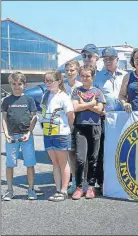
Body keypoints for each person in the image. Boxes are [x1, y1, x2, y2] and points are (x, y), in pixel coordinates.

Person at [94, 47, 128, 193]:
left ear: (117, 59)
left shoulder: (126, 75)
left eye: (111, 59)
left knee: (123, 149)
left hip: (124, 119)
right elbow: (94, 97)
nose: (108, 61)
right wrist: (100, 109)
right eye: (105, 59)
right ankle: (102, 183)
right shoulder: (97, 77)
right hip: (104, 118)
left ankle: (124, 180)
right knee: (103, 151)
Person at [1, 72, 38, 201]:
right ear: (10, 84)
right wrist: (6, 134)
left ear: (24, 85)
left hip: (26, 137)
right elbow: (4, 119)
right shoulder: (6, 100)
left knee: (29, 164)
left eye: (20, 84)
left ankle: (31, 189)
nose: (17, 86)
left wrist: (28, 133)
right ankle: (9, 190)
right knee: (10, 164)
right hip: (11, 137)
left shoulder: (29, 99)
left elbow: (34, 117)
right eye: (14, 84)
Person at [71, 64, 105, 200]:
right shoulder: (76, 91)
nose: (85, 78)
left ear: (93, 77)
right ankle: (79, 187)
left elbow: (100, 109)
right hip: (80, 127)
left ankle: (91, 186)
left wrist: (83, 105)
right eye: (82, 76)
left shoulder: (98, 92)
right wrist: (91, 104)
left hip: (95, 127)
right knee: (80, 159)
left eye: (88, 76)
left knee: (93, 158)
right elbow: (75, 107)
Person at [40, 70, 75, 202]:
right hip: (48, 133)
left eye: (50, 81)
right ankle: (58, 189)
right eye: (46, 81)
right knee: (55, 163)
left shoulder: (64, 97)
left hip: (61, 134)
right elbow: (42, 112)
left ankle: (64, 191)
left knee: (63, 163)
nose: (47, 83)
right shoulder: (45, 95)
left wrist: (67, 128)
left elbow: (71, 115)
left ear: (59, 81)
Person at [63, 60, 83, 195]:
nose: (70, 73)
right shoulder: (62, 86)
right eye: (67, 70)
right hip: (66, 125)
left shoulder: (82, 86)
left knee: (82, 155)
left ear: (78, 71)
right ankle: (74, 181)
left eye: (72, 70)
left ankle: (84, 182)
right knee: (70, 154)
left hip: (81, 123)